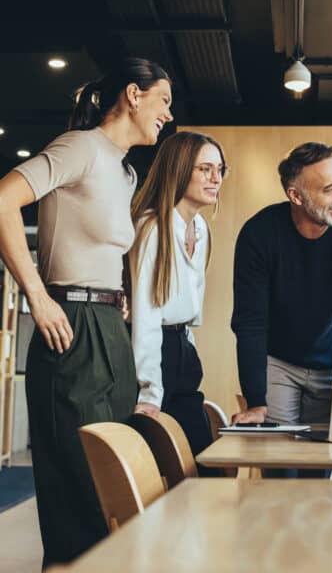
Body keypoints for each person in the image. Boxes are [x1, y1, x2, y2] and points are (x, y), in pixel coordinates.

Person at [0, 57, 173, 565]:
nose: (168, 113)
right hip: (70, 324)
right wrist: (36, 294)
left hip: (108, 329)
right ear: (134, 94)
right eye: (163, 100)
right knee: (80, 499)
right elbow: (3, 200)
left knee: (114, 493)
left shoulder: (123, 172)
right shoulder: (80, 148)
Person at [230, 142, 332, 432]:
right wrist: (256, 401)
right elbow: (250, 322)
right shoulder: (259, 234)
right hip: (278, 362)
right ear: (295, 196)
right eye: (329, 189)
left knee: (323, 461)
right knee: (279, 462)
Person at [128, 130, 229, 464]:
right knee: (170, 466)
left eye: (220, 169)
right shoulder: (152, 227)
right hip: (154, 354)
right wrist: (150, 392)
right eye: (205, 169)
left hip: (182, 349)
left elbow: (189, 310)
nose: (216, 178)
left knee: (201, 461)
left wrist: (191, 354)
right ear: (179, 170)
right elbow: (146, 316)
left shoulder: (199, 228)